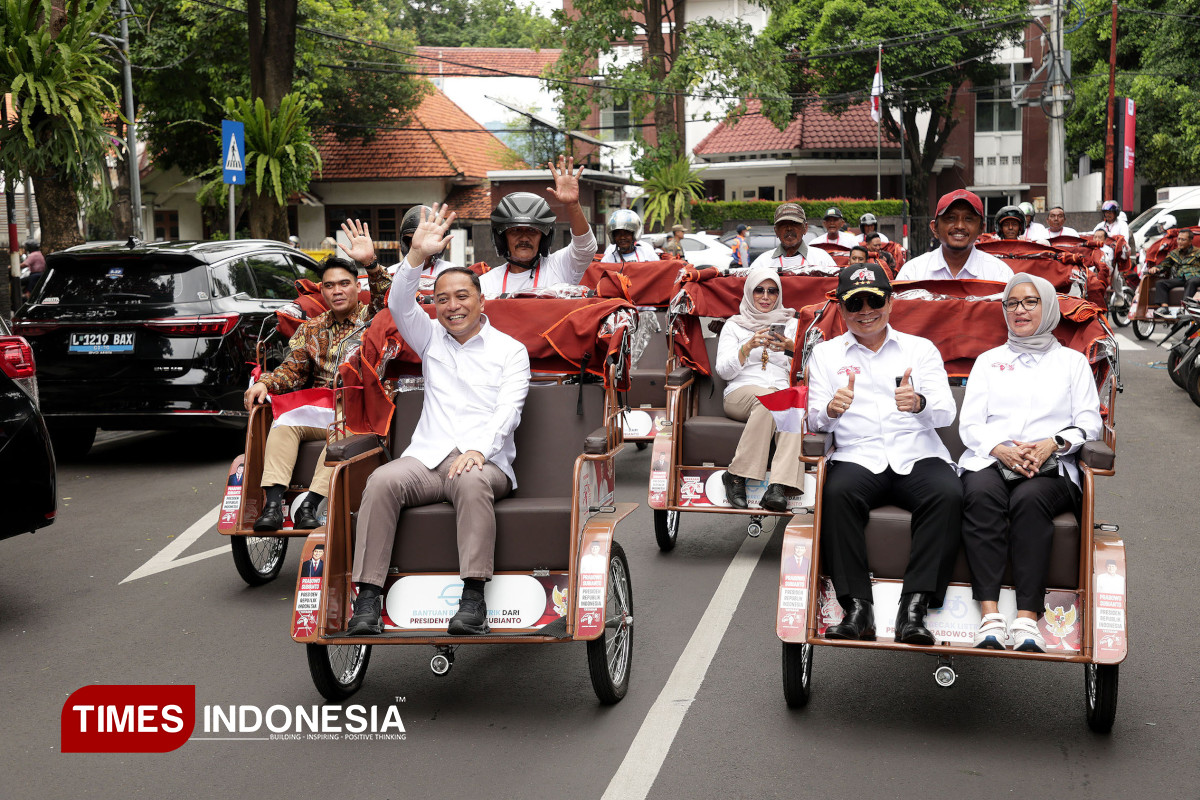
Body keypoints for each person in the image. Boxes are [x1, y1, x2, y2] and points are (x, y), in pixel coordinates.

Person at [347, 204, 531, 636]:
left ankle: (473, 598)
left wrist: (477, 451)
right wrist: (414, 256)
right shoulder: (429, 337)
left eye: (462, 296)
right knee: (382, 481)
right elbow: (396, 302)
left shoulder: (510, 351)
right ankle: (368, 599)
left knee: (470, 479)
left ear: (481, 300)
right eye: (442, 299)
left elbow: (509, 410)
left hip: (486, 463)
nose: (452, 306)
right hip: (428, 459)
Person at [807, 263, 962, 644]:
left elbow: (946, 412)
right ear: (841, 311)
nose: (865, 311)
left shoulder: (919, 349)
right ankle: (858, 607)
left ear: (890, 303)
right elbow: (812, 419)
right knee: (835, 494)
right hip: (858, 455)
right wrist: (830, 410)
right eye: (854, 303)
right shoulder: (826, 356)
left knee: (949, 494)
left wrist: (918, 402)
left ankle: (915, 607)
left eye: (874, 300)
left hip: (917, 450)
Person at [957, 273, 1102, 651]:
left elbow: (1089, 423)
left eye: (1030, 302)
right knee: (980, 494)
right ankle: (989, 614)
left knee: (1028, 499)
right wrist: (1000, 449)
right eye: (1012, 303)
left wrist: (1052, 443)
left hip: (1051, 466)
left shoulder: (1072, 363)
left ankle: (1026, 618)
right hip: (992, 459)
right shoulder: (989, 361)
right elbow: (970, 424)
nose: (1019, 310)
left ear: (1049, 307)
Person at [244, 223, 391, 531]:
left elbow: (386, 296)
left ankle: (310, 504)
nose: (337, 291)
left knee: (341, 427)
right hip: (319, 406)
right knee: (282, 423)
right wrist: (264, 383)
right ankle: (272, 506)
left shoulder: (372, 318)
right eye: (329, 286)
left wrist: (371, 264)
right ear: (322, 290)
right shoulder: (311, 327)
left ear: (356, 287)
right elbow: (292, 368)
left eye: (344, 284)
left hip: (357, 408)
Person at [715, 267, 804, 513]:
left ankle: (778, 486)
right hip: (741, 392)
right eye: (759, 290)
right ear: (749, 293)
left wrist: (789, 348)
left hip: (780, 391)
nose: (766, 297)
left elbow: (807, 368)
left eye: (772, 291)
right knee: (773, 401)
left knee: (791, 407)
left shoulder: (793, 324)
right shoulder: (734, 326)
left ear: (779, 295)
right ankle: (735, 475)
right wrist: (747, 347)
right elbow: (723, 370)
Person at [479, 156, 597, 297]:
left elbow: (585, 248)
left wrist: (572, 205)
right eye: (515, 231)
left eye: (532, 231)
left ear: (544, 237)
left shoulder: (559, 267)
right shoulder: (485, 283)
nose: (524, 238)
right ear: (502, 237)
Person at [896, 190, 1013, 282]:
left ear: (981, 229)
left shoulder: (999, 274)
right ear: (934, 228)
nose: (960, 225)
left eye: (968, 219)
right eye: (950, 218)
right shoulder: (913, 273)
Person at [747, 203, 837, 274]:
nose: (789, 228)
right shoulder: (763, 262)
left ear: (805, 228)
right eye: (783, 225)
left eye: (794, 223)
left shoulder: (821, 259)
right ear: (776, 231)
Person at [1148, 228, 1200, 318]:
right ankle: (1164, 309)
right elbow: (1164, 265)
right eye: (1178, 239)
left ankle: (1184, 309)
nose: (1179, 242)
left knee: (1191, 282)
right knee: (1160, 283)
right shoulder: (1174, 253)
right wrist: (1156, 268)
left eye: (1183, 240)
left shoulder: (1198, 252)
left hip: (1195, 277)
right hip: (1181, 278)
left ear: (1190, 241)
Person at [393, 204, 454, 279]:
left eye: (428, 240)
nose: (422, 246)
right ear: (406, 243)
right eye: (415, 240)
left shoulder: (451, 273)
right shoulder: (392, 273)